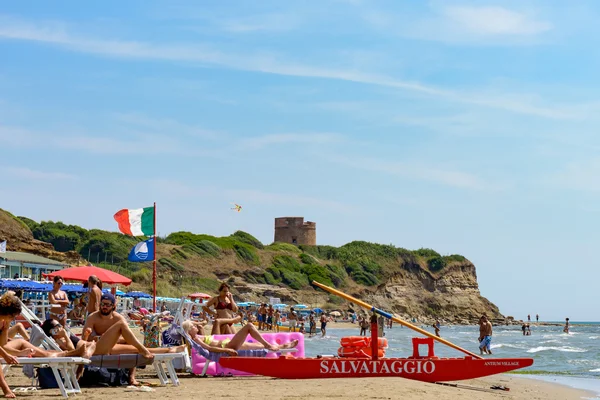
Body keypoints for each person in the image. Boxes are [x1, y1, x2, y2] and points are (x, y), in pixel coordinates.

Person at [82, 293, 185, 385]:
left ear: (113, 306)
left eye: (107, 305)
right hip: (97, 348)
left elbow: (126, 336)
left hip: (112, 348)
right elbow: (85, 338)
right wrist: (100, 337)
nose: (104, 307)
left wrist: (114, 339)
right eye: (102, 304)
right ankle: (149, 350)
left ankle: (166, 351)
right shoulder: (93, 317)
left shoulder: (117, 317)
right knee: (134, 345)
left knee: (134, 348)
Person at [182, 319, 299, 354]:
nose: (195, 326)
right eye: (193, 326)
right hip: (227, 345)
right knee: (248, 326)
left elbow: (200, 325)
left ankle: (283, 346)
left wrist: (199, 324)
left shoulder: (197, 336)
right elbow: (210, 349)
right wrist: (227, 349)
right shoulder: (196, 339)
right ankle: (272, 345)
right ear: (189, 331)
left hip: (227, 344)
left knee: (258, 346)